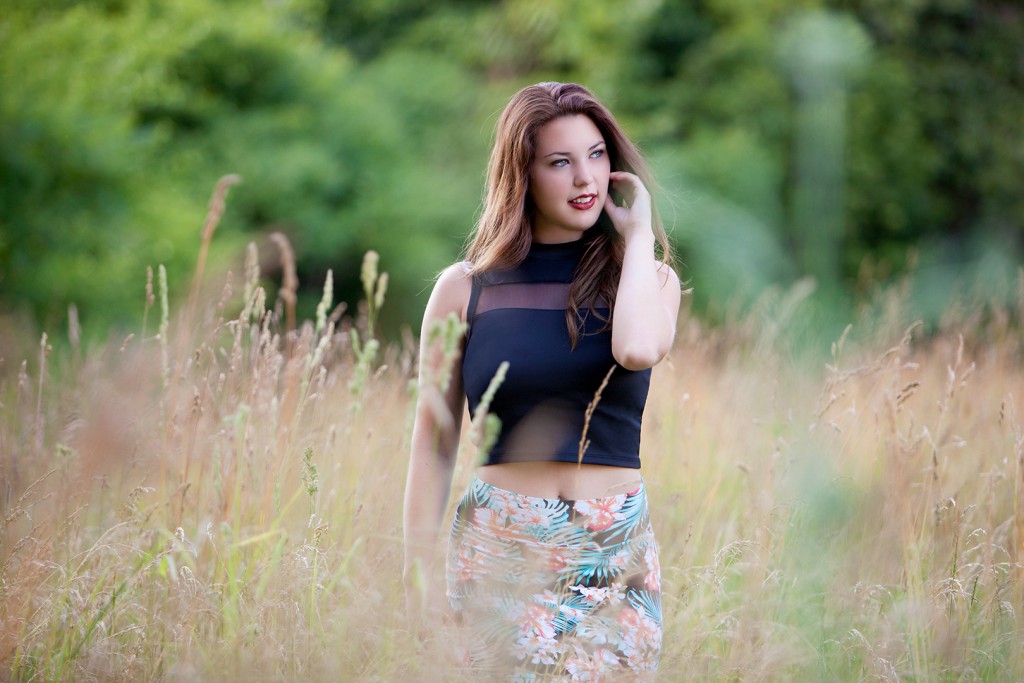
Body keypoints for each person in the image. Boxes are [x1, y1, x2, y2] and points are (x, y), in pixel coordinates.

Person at [403, 81, 681, 680]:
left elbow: (635, 349)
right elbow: (433, 439)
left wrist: (636, 238)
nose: (586, 178)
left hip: (614, 551)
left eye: (597, 155)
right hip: (500, 551)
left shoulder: (649, 281)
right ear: (522, 174)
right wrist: (420, 580)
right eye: (561, 162)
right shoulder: (464, 288)